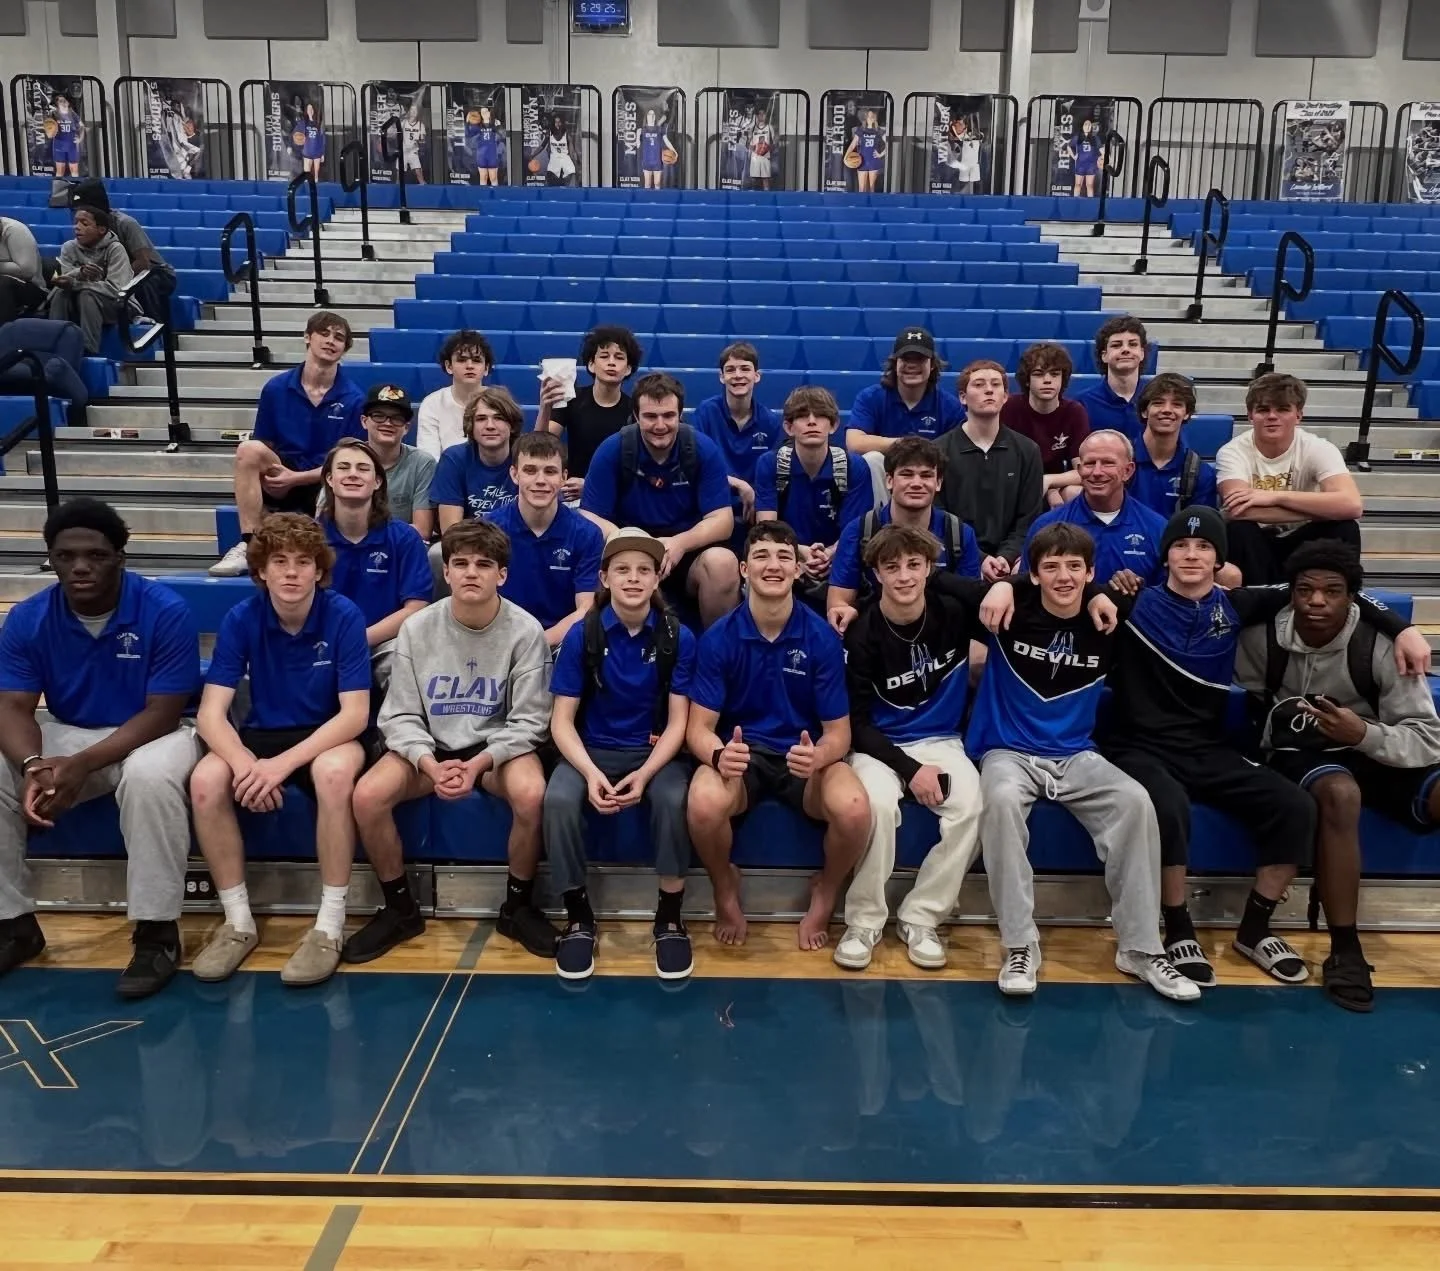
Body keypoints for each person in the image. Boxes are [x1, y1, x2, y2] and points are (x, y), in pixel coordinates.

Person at [1099, 506, 1428, 988]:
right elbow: (1068, 592)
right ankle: (1179, 927)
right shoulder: (1130, 603)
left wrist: (1403, 628)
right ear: (1164, 555)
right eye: (1181, 546)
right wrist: (1101, 591)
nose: (1191, 555)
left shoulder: (1239, 604)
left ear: (1219, 560)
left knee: (1294, 806)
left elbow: (1340, 590)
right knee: (1166, 806)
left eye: (1204, 546)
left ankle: (1255, 928)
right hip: (1137, 746)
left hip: (1205, 746)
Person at [967, 522, 1198, 1001]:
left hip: (1076, 754)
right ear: (1034, 574)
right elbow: (938, 583)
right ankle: (1020, 944)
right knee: (1000, 801)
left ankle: (1140, 948)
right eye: (1050, 567)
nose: (1064, 576)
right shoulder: (1006, 612)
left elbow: (1170, 595)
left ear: (1091, 572)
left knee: (1136, 801)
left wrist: (1098, 595)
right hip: (1009, 751)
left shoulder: (1107, 620)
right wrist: (1005, 584)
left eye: (1075, 567)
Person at [0, 499, 201, 996]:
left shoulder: (164, 610)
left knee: (149, 778)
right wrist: (32, 765)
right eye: (65, 556)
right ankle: (14, 925)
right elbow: (12, 706)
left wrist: (81, 764)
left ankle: (156, 934)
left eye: (95, 555)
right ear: (52, 559)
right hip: (71, 732)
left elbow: (163, 712)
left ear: (119, 558)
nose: (80, 567)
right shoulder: (29, 617)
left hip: (155, 735)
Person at [1235, 542, 1440, 1013]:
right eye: (1305, 590)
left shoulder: (1381, 643)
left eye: (1332, 591)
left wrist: (1362, 733)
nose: (1317, 601)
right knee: (1341, 793)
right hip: (1299, 751)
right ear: (1290, 593)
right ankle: (1346, 949)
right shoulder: (1260, 639)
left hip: (1375, 743)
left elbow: (1428, 738)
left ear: (1351, 597)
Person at [344, 521, 556, 965]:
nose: (471, 573)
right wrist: (429, 763)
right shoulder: (417, 628)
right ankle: (400, 909)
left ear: (502, 574)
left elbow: (530, 721)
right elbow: (399, 715)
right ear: (446, 572)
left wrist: (478, 764)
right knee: (367, 795)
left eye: (483, 564)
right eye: (460, 563)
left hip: (495, 750)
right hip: (431, 748)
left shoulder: (526, 631)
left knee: (532, 793)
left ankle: (517, 908)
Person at [189, 514, 372, 987]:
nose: (291, 572)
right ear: (261, 571)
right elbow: (210, 715)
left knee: (333, 774)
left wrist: (279, 767)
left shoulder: (345, 615)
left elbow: (354, 715)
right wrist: (246, 764)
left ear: (319, 570)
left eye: (303, 562)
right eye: (280, 561)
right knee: (206, 780)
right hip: (262, 735)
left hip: (328, 733)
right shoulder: (241, 618)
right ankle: (237, 923)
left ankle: (329, 925)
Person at [686, 522, 870, 950]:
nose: (774, 566)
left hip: (803, 758)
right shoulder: (719, 639)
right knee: (703, 802)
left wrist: (820, 756)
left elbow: (839, 734)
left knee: (855, 809)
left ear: (798, 570)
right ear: (744, 570)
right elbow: (698, 729)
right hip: (742, 756)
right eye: (762, 557)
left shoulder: (821, 638)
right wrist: (719, 756)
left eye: (784, 557)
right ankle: (724, 886)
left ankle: (826, 889)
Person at [545, 527, 698, 981]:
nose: (633, 578)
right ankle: (578, 916)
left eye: (644, 570)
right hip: (591, 750)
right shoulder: (582, 634)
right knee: (557, 800)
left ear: (657, 579)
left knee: (673, 799)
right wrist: (591, 773)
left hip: (653, 751)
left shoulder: (678, 636)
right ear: (604, 578)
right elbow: (561, 722)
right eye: (623, 570)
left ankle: (669, 917)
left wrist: (646, 774)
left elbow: (679, 723)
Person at [836, 525, 986, 972]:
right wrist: (910, 769)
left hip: (941, 740)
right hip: (878, 747)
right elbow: (857, 725)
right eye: (892, 566)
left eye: (914, 565)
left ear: (930, 570)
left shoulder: (954, 612)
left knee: (974, 804)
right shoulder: (861, 632)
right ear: (876, 574)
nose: (903, 576)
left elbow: (1019, 596)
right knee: (877, 804)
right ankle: (863, 921)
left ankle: (922, 917)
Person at [210, 312, 366, 576]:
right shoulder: (276, 388)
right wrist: (279, 479)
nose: (331, 341)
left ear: (345, 348)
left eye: (339, 337)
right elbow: (264, 444)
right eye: (324, 333)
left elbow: (348, 460)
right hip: (281, 476)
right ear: (307, 337)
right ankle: (249, 544)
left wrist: (296, 479)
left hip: (325, 482)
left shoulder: (354, 398)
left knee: (347, 468)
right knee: (248, 450)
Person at [581, 372, 739, 627]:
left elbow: (723, 520)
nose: (660, 425)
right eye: (651, 416)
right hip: (629, 547)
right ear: (636, 416)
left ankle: (715, 646)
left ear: (680, 415)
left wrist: (680, 543)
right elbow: (589, 516)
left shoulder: (702, 449)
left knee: (723, 563)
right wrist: (631, 540)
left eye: (668, 415)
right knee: (596, 563)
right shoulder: (614, 449)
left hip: (686, 553)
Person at [1216, 372, 1364, 586]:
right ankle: (1258, 601)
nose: (1272, 416)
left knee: (1345, 526)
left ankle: (1339, 597)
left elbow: (1352, 505)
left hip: (1303, 540)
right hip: (1256, 542)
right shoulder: (1232, 451)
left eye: (1283, 409)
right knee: (1239, 529)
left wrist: (1276, 497)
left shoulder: (1318, 447)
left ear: (1298, 415)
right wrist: (1322, 509)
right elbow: (1238, 510)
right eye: (1263, 410)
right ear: (1250, 416)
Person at [827, 436, 980, 633]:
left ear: (938, 482)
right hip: (877, 635)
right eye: (907, 474)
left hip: (941, 636)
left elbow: (970, 603)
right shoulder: (860, 531)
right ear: (889, 480)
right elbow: (838, 605)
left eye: (926, 475)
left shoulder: (959, 533)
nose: (916, 483)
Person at [317, 438, 432, 688]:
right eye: (344, 467)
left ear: (377, 481)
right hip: (323, 641)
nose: (353, 474)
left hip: (384, 643)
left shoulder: (404, 537)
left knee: (402, 661)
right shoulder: (310, 538)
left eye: (363, 468)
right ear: (329, 479)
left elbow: (416, 608)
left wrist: (359, 639)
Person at [753, 386, 872, 608]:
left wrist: (830, 554)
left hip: (840, 557)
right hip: (787, 553)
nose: (811, 422)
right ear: (788, 427)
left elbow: (855, 531)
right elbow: (766, 526)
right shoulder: (770, 464)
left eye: (820, 415)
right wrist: (799, 552)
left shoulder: (854, 467)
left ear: (834, 425)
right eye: (802, 416)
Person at [483, 431, 603, 648]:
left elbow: (585, 609)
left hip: (560, 642)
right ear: (514, 474)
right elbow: (478, 600)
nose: (540, 481)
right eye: (530, 470)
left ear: (564, 477)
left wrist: (536, 646)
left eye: (550, 471)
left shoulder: (587, 534)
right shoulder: (488, 529)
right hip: (500, 641)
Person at [934, 359, 1045, 581]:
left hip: (1010, 564)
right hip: (955, 562)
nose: (988, 390)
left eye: (996, 384)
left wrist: (1007, 556)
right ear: (962, 397)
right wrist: (980, 558)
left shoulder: (1028, 450)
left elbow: (1029, 517)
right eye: (979, 384)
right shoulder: (938, 451)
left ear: (1005, 397)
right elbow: (937, 515)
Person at [1022, 430, 1172, 594]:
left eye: (1108, 463)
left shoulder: (1157, 528)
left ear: (1128, 471)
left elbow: (1169, 597)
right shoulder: (1045, 526)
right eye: (1090, 463)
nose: (1097, 472)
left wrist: (1140, 591)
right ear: (1079, 470)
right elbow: (1026, 591)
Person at [692, 342, 783, 548]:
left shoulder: (770, 421)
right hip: (713, 504)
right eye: (730, 370)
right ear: (721, 376)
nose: (738, 375)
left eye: (745, 369)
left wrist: (757, 497)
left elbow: (772, 474)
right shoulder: (705, 413)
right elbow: (696, 467)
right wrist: (740, 485)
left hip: (755, 508)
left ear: (756, 376)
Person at [540, 325, 642, 498]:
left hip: (615, 494)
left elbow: (637, 469)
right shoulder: (571, 399)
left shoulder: (635, 410)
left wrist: (591, 486)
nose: (611, 362)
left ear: (628, 368)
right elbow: (541, 446)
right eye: (604, 356)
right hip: (570, 494)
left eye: (619, 357)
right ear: (591, 364)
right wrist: (545, 407)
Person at [845, 327, 964, 464]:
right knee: (873, 458)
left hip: (930, 471)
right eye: (905, 358)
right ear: (895, 363)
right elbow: (855, 443)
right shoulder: (870, 397)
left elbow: (958, 451)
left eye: (919, 359)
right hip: (885, 471)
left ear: (932, 365)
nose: (912, 365)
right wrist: (906, 444)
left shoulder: (950, 406)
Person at [70, 179, 176, 324]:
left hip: (155, 272)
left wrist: (115, 278)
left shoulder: (125, 223)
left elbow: (143, 263)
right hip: (115, 275)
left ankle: (154, 328)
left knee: (141, 285)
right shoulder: (85, 228)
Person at [1000, 342, 1090, 508]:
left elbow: (1083, 471)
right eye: (1039, 374)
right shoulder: (1009, 408)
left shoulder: (1074, 411)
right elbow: (1001, 466)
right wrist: (1047, 489)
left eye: (1055, 374)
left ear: (1063, 379)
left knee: (1075, 492)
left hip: (1055, 483)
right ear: (1027, 380)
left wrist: (1049, 482)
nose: (1047, 380)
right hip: (1016, 483)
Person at [340, 383, 438, 535]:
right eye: (379, 416)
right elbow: (325, 523)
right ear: (364, 421)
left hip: (401, 547)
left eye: (397, 418)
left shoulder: (422, 463)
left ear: (406, 427)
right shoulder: (344, 459)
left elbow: (422, 530)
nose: (387, 423)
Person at [429, 386, 522, 533]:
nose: (490, 426)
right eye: (481, 419)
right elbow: (451, 531)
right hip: (469, 542)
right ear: (471, 426)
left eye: (499, 418)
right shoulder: (453, 459)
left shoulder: (525, 457)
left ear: (512, 425)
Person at [1128, 372, 1218, 518]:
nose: (1167, 410)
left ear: (1187, 413)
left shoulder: (1201, 473)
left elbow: (1199, 526)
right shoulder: (1119, 461)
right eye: (1158, 403)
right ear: (1144, 411)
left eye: (1177, 404)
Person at [47, 205, 131, 354]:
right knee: (61, 293)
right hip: (79, 303)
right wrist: (79, 273)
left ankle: (88, 350)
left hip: (118, 306)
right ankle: (54, 344)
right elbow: (66, 281)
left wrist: (77, 283)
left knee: (87, 295)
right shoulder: (69, 247)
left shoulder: (115, 249)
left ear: (101, 230)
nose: (77, 227)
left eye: (84, 223)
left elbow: (117, 290)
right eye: (76, 222)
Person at [416, 330, 494, 460]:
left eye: (476, 360)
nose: (469, 366)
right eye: (462, 360)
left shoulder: (500, 403)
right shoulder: (432, 404)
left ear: (486, 368)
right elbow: (429, 460)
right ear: (449, 366)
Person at [1074, 316, 1148, 442]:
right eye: (1116, 345)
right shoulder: (1082, 404)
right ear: (1104, 355)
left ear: (1142, 353)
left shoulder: (1157, 400)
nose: (1125, 349)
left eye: (1133, 344)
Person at [0, 216, 46, 323]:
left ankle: (5, 331)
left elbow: (27, 271)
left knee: (2, 283)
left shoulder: (15, 230)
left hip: (31, 288)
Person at [845, 108, 887, 194]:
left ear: (875, 118)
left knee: (871, 188)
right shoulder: (861, 130)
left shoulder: (878, 130)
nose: (870, 118)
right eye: (869, 116)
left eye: (872, 116)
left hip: (873, 161)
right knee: (861, 188)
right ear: (866, 118)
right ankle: (862, 203)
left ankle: (871, 203)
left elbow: (888, 143)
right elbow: (853, 144)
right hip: (862, 161)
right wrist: (846, 157)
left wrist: (881, 154)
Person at [49, 93, 85, 178]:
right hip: (59, 145)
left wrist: (80, 138)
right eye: (61, 101)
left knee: (74, 169)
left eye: (65, 101)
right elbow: (49, 130)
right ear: (57, 103)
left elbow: (82, 126)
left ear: (68, 103)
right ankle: (58, 185)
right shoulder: (53, 114)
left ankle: (75, 185)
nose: (63, 102)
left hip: (72, 145)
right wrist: (50, 132)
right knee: (60, 170)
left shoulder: (72, 114)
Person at [640, 108, 674, 190]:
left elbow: (666, 140)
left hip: (657, 161)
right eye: (649, 114)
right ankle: (646, 198)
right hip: (647, 161)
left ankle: (657, 197)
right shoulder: (642, 130)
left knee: (657, 183)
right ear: (646, 116)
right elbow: (637, 144)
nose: (651, 116)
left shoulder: (659, 129)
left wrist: (674, 150)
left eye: (653, 114)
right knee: (647, 184)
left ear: (655, 117)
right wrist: (637, 140)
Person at [468, 104, 502, 186]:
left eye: (486, 111)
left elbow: (501, 135)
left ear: (489, 112)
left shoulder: (495, 123)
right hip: (482, 155)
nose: (485, 114)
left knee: (493, 177)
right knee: (483, 177)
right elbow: (469, 134)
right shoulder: (477, 125)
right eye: (482, 112)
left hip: (492, 154)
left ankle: (495, 193)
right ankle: (483, 193)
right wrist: (468, 121)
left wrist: (498, 126)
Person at [1072, 116, 1101, 197]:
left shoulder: (1095, 138)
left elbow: (1101, 149)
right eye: (1086, 124)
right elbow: (1068, 146)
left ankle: (1090, 203)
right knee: (1078, 185)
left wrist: (1108, 157)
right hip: (1080, 164)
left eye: (1089, 124)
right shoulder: (1077, 137)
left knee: (1090, 185)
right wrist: (1073, 156)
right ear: (1082, 126)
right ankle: (1075, 201)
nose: (1087, 126)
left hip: (1091, 165)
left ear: (1091, 127)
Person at [747, 108, 775, 190]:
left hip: (765, 157)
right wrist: (753, 148)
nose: (762, 115)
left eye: (763, 114)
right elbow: (748, 143)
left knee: (765, 179)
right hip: (755, 157)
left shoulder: (769, 127)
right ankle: (754, 196)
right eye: (760, 114)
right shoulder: (752, 128)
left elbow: (773, 143)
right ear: (757, 116)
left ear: (766, 116)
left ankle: (767, 196)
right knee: (753, 180)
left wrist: (767, 148)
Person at [302, 101, 325, 180]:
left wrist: (322, 153)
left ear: (314, 110)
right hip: (307, 151)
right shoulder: (304, 123)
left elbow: (322, 139)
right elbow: (298, 134)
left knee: (316, 175)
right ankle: (307, 186)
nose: (310, 110)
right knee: (306, 173)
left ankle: (316, 185)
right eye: (308, 109)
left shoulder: (318, 123)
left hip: (317, 151)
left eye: (311, 109)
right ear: (306, 111)